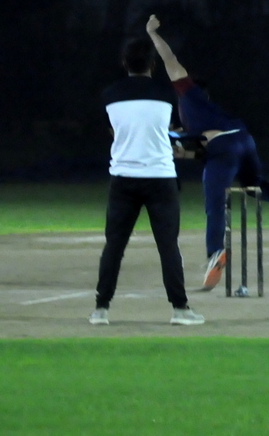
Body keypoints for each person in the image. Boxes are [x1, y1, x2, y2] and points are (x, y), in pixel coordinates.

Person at [145, 14, 269, 291]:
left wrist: (152, 34)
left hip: (223, 147)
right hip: (244, 138)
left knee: (215, 204)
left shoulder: (188, 94)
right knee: (257, 187)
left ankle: (215, 254)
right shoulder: (205, 114)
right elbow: (191, 150)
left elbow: (169, 59)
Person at [90, 37, 204, 326]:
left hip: (123, 178)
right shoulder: (167, 94)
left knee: (114, 245)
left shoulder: (109, 94)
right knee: (168, 245)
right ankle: (180, 309)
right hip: (160, 177)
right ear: (152, 65)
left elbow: (113, 131)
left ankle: (101, 309)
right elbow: (174, 130)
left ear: (124, 63)